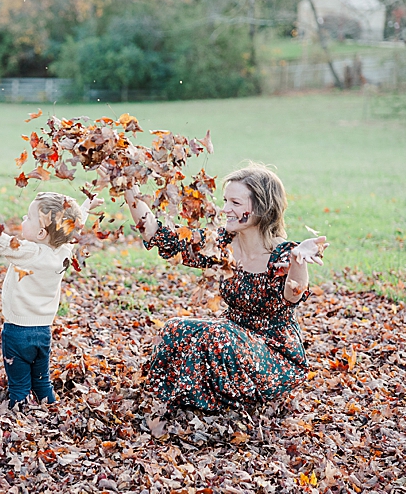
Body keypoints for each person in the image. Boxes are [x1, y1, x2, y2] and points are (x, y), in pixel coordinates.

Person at [123, 163, 328, 412]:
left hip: (272, 359)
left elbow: (292, 296)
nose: (225, 209)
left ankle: (211, 406)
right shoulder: (223, 244)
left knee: (218, 333)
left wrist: (298, 260)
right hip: (227, 342)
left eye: (236, 203)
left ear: (261, 208)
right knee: (176, 327)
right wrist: (128, 186)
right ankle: (162, 402)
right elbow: (159, 235)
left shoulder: (283, 254)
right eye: (225, 201)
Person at [0, 192, 100, 408]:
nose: (24, 218)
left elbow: (2, 243)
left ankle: (17, 418)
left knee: (19, 387)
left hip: (17, 332)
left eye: (28, 218)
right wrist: (86, 206)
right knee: (42, 383)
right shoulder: (64, 252)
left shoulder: (30, 252)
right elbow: (73, 228)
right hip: (43, 332)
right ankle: (51, 412)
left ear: (41, 232)